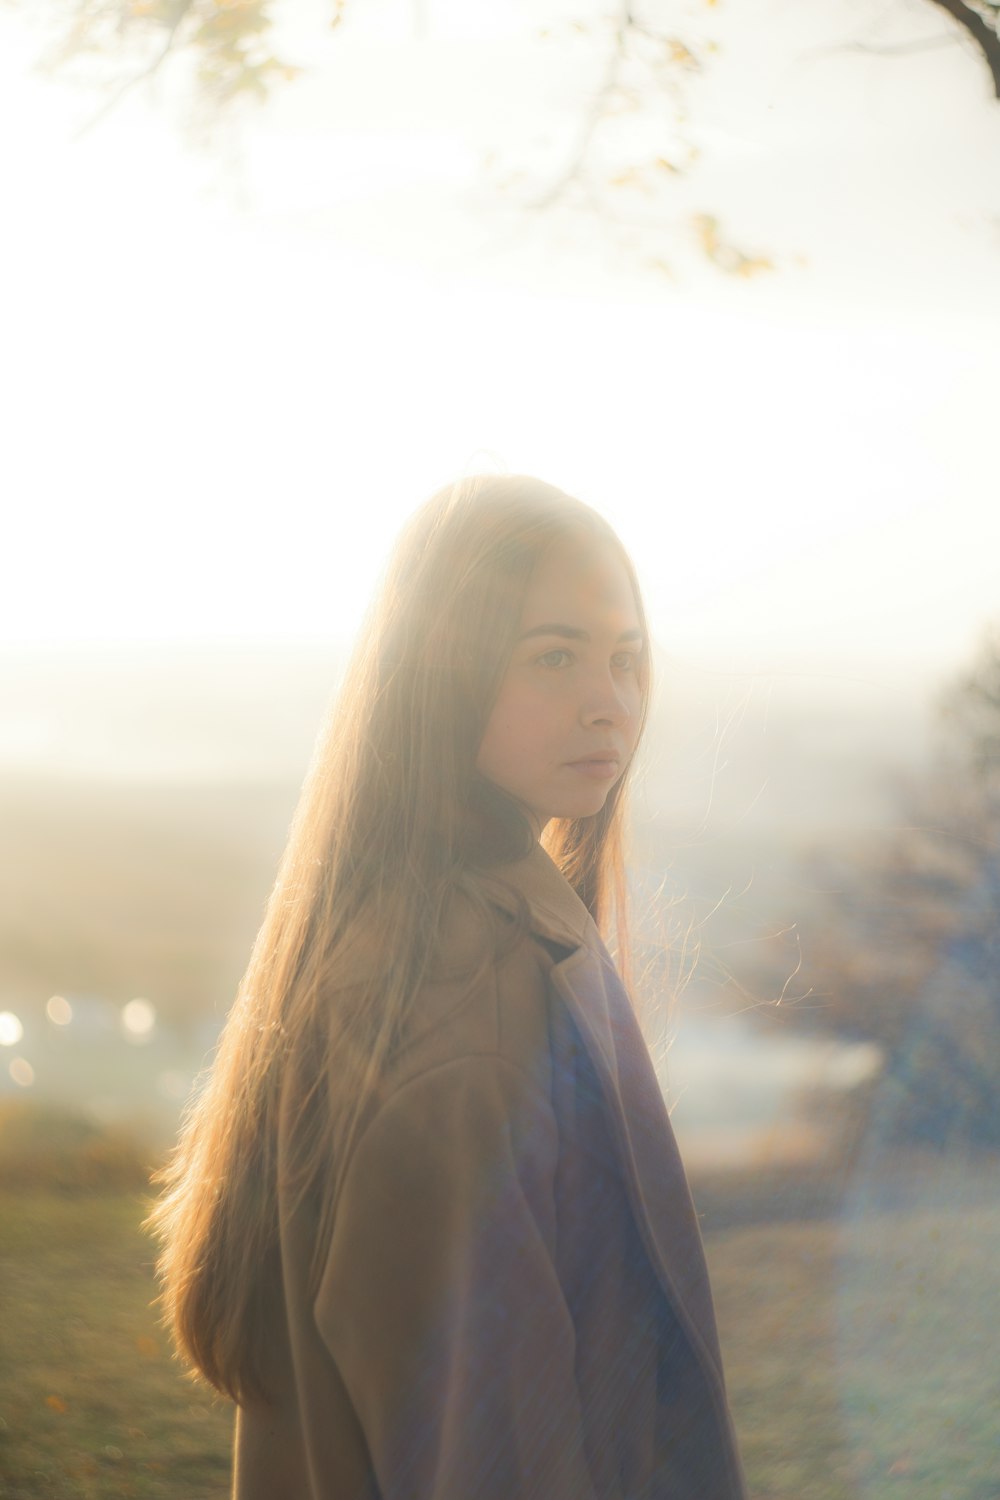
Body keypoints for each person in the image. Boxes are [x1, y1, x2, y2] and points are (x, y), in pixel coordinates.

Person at [147, 473, 749, 1500]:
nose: (608, 702)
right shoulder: (464, 1009)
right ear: (442, 667)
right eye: (553, 657)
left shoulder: (405, 930)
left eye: (625, 659)